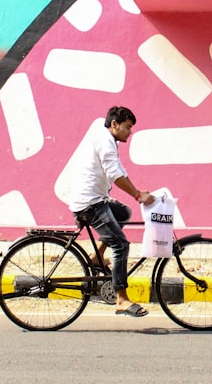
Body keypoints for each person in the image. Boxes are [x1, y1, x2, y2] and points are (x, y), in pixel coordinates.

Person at [67, 105, 155, 317]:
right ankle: (121, 299)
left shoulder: (105, 133)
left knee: (123, 213)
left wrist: (137, 191)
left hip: (96, 199)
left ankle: (97, 256)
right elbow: (114, 173)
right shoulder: (106, 140)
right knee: (121, 245)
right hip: (90, 204)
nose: (130, 132)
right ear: (114, 124)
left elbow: (118, 168)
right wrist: (136, 195)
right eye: (127, 127)